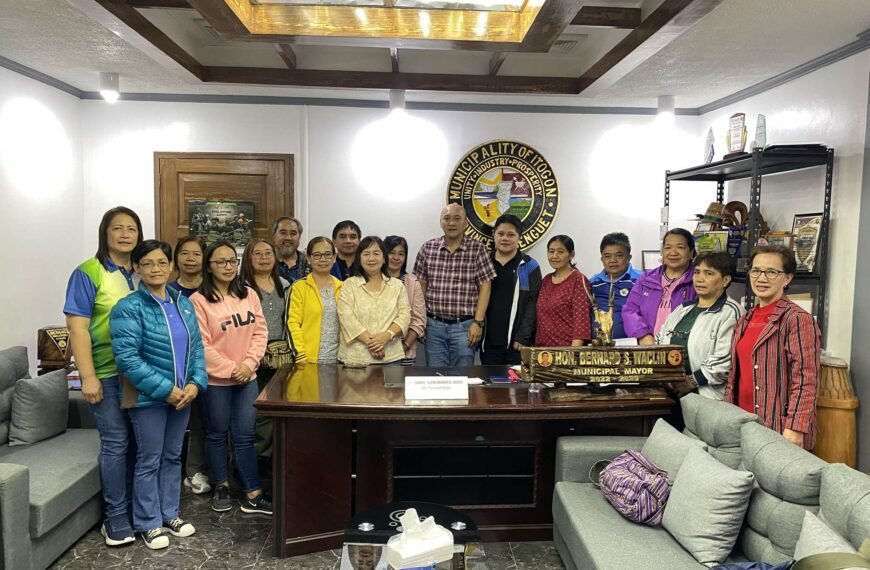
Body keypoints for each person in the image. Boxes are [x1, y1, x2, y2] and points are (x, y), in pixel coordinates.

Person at [110, 240, 208, 550]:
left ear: (170, 266)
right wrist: (166, 390)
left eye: (162, 262)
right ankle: (148, 522)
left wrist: (195, 384)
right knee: (148, 459)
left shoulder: (183, 303)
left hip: (184, 397)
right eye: (148, 263)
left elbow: (197, 349)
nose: (156, 268)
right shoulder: (128, 307)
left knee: (172, 457)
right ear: (137, 268)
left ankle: (170, 514)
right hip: (149, 399)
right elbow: (127, 358)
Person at [63, 206, 142, 546]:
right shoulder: (88, 272)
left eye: (132, 229)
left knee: (139, 445)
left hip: (139, 374)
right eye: (117, 228)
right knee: (115, 444)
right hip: (106, 373)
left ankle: (138, 512)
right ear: (105, 233)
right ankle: (115, 518)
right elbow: (76, 327)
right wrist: (88, 377)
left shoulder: (142, 270)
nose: (125, 234)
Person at [190, 240, 271, 515]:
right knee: (216, 434)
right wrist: (231, 368)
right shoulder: (198, 301)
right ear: (209, 267)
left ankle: (252, 493)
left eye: (232, 261)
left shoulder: (248, 293)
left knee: (246, 435)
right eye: (220, 262)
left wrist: (248, 365)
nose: (228, 266)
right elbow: (201, 344)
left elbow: (260, 333)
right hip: (216, 383)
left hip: (247, 379)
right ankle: (222, 486)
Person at [724, 246, 821, 449]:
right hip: (743, 423)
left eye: (771, 272)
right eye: (756, 270)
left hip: (778, 427)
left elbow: (806, 378)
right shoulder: (744, 320)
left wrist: (795, 427)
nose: (762, 278)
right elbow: (735, 376)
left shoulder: (797, 319)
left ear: (787, 278)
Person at [413, 204, 496, 366]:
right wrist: (420, 321)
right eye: (447, 218)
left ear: (465, 223)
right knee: (436, 378)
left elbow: (485, 286)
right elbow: (420, 285)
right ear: (441, 222)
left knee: (463, 378)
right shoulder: (428, 248)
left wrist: (478, 323)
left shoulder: (478, 249)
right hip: (433, 326)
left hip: (464, 327)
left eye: (457, 219)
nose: (451, 223)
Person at [656, 252, 743, 400]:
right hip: (671, 393)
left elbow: (725, 361)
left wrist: (691, 381)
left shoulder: (731, 312)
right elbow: (659, 340)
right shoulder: (682, 309)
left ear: (725, 280)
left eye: (709, 273)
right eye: (697, 272)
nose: (699, 279)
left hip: (708, 397)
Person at [239, 238, 290, 466]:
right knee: (251, 414)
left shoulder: (285, 284)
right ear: (248, 258)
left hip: (279, 360)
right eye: (257, 254)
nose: (263, 258)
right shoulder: (240, 287)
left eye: (268, 253)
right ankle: (250, 462)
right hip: (250, 359)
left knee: (273, 413)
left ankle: (269, 461)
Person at [169, 236, 211, 496]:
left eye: (196, 254)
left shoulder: (214, 287)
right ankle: (192, 471)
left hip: (214, 362)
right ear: (176, 258)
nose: (191, 259)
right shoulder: (168, 289)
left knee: (211, 420)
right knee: (189, 419)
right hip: (179, 364)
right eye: (185, 253)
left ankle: (213, 469)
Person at [337, 236, 411, 365]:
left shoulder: (397, 286)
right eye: (366, 254)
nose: (371, 258)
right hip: (355, 359)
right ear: (359, 259)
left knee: (393, 386)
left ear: (384, 259)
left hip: (391, 357)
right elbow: (346, 318)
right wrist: (373, 343)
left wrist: (387, 335)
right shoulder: (349, 285)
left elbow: (405, 316)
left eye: (376, 253)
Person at [480, 214, 542, 365]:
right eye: (500, 234)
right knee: (489, 386)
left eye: (511, 235)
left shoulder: (529, 266)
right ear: (493, 234)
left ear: (519, 237)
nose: (504, 238)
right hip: (488, 340)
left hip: (517, 343)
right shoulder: (483, 261)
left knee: (516, 387)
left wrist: (523, 337)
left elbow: (533, 303)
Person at [623, 228, 698, 345]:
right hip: (647, 346)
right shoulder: (646, 278)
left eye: (680, 247)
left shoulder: (697, 280)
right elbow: (630, 310)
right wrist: (643, 335)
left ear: (692, 252)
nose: (673, 252)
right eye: (668, 247)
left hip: (682, 348)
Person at [288, 237, 344, 364]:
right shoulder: (299, 288)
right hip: (309, 360)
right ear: (308, 258)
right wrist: (300, 354)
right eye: (317, 255)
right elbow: (292, 323)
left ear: (334, 257)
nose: (323, 259)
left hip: (340, 360)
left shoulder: (344, 287)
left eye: (327, 254)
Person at [535, 235, 593, 347]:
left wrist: (573, 354)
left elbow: (581, 323)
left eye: (560, 252)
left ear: (571, 254)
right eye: (551, 251)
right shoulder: (546, 280)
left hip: (566, 352)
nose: (554, 256)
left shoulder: (578, 280)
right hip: (542, 353)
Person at [589, 232, 642, 340]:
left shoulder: (641, 280)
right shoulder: (592, 283)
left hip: (634, 346)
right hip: (598, 347)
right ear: (602, 259)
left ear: (629, 257)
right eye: (607, 256)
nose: (613, 260)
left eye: (619, 255)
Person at [385, 235, 426, 365]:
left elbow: (418, 320)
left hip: (405, 352)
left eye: (401, 254)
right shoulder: (373, 281)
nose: (396, 258)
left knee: (401, 385)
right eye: (391, 253)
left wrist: (405, 345)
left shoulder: (413, 283)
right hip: (377, 351)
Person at [272, 216, 310, 282]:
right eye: (283, 233)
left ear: (300, 237)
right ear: (274, 236)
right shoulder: (264, 262)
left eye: (293, 233)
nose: (288, 238)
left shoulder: (309, 264)